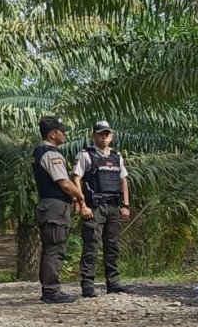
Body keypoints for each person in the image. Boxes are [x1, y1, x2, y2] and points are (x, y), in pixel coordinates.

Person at [33, 116, 93, 304]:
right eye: (62, 131)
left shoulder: (38, 152)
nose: (65, 134)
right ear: (52, 134)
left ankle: (48, 289)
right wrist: (80, 196)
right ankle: (51, 291)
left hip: (46, 205)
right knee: (55, 248)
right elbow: (65, 183)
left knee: (49, 248)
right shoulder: (51, 154)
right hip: (55, 207)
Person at [73, 120, 135, 297]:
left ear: (112, 136)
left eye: (107, 133)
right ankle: (87, 285)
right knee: (91, 245)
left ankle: (113, 283)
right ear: (94, 135)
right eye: (100, 133)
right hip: (95, 207)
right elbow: (76, 178)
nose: (104, 137)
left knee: (113, 246)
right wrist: (82, 203)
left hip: (114, 206)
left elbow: (123, 181)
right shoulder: (86, 155)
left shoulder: (117, 156)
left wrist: (126, 205)